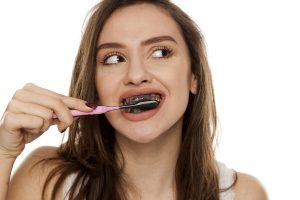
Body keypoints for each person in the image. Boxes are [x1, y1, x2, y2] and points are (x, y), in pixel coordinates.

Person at [0, 0, 268, 199]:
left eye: (161, 52)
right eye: (114, 58)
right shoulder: (47, 181)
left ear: (194, 77)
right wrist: (3, 154)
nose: (136, 75)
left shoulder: (243, 194)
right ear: (95, 85)